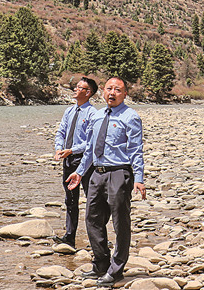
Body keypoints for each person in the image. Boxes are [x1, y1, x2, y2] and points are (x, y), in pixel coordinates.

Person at [67, 77, 146, 288]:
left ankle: (116, 270)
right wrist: (79, 172)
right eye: (109, 89)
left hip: (119, 173)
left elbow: (136, 150)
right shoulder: (98, 115)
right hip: (97, 173)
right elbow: (90, 148)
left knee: (120, 223)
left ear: (125, 94)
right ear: (103, 91)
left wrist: (139, 178)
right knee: (92, 219)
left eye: (117, 90)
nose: (112, 93)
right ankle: (101, 263)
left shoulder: (130, 117)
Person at [53, 76, 98, 248]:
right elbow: (61, 132)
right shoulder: (69, 111)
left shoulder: (92, 113)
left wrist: (72, 149)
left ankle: (97, 239)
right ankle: (69, 237)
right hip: (68, 160)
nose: (75, 89)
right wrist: (59, 148)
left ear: (88, 92)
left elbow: (91, 142)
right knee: (70, 199)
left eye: (79, 87)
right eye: (76, 86)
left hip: (85, 161)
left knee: (92, 200)